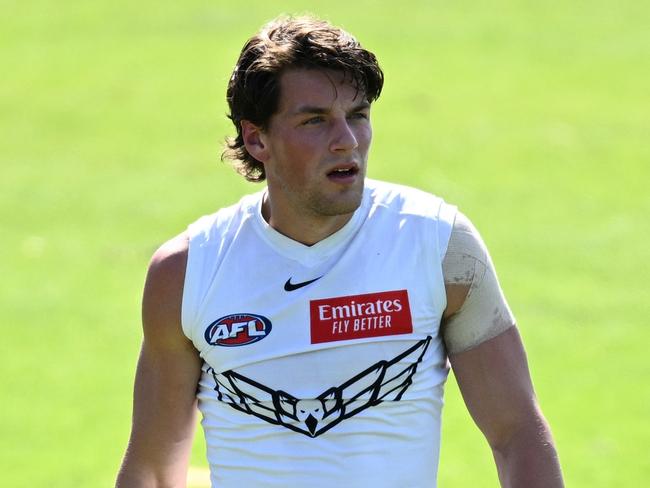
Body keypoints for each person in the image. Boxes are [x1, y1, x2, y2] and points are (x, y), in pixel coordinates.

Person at [116, 15, 564, 488]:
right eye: (315, 121)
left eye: (358, 115)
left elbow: (516, 433)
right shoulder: (189, 272)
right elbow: (154, 469)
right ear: (256, 138)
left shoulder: (436, 244)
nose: (347, 141)